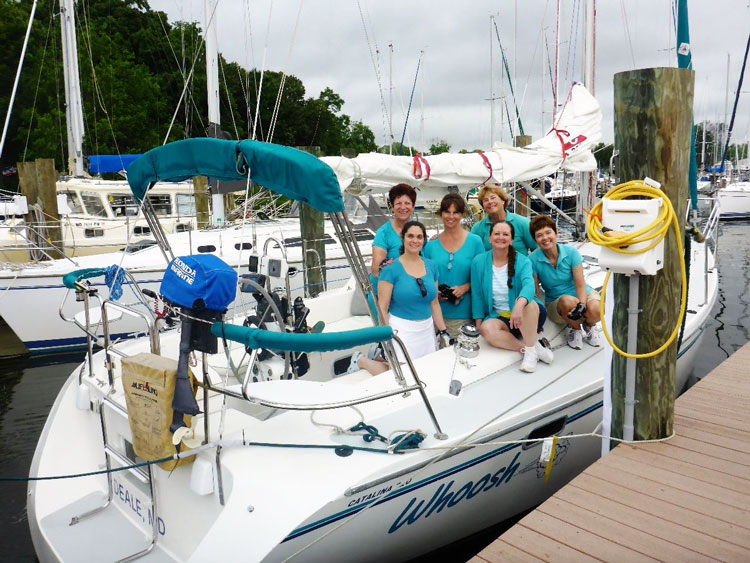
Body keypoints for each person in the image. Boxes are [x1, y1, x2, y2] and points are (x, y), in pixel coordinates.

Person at [351, 221, 449, 375]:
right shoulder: (390, 269)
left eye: (419, 237)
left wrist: (444, 332)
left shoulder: (432, 266)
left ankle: (377, 358)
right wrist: (385, 336)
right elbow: (382, 307)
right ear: (403, 238)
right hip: (401, 329)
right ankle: (361, 361)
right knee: (403, 374)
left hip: (426, 329)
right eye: (410, 236)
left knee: (425, 371)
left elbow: (434, 303)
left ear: (424, 240)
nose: (415, 240)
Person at [470, 220, 553, 373]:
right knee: (487, 329)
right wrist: (478, 323)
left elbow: (529, 286)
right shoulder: (479, 262)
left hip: (527, 314)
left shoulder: (522, 261)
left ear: (512, 240)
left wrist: (518, 305)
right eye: (496, 234)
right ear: (490, 238)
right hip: (501, 318)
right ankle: (530, 350)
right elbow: (476, 294)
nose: (501, 237)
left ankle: (530, 350)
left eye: (505, 234)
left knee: (528, 304)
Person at [528, 214, 602, 349]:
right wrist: (536, 316)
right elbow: (535, 291)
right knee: (567, 301)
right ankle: (576, 330)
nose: (545, 238)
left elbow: (580, 284)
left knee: (597, 309)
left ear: (555, 233)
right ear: (535, 240)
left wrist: (582, 304)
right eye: (539, 235)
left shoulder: (571, 253)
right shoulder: (532, 260)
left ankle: (590, 326)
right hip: (557, 301)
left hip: (582, 293)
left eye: (548, 232)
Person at [423, 193, 485, 339]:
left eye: (456, 212)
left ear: (462, 214)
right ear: (441, 214)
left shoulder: (475, 241)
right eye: (447, 212)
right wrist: (434, 291)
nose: (451, 216)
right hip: (431, 315)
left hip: (462, 314)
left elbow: (483, 276)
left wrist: (465, 288)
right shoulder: (430, 246)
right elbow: (423, 277)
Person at [470, 184, 537, 255]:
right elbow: (472, 253)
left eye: (493, 197)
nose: (490, 202)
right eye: (485, 200)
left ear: (503, 201)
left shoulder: (523, 223)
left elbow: (537, 249)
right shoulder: (478, 228)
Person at [371, 184, 417, 283]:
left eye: (407, 203)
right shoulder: (383, 233)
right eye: (398, 203)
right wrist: (384, 267)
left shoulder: (418, 231)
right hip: (385, 291)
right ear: (392, 207)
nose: (403, 207)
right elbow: (376, 271)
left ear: (413, 207)